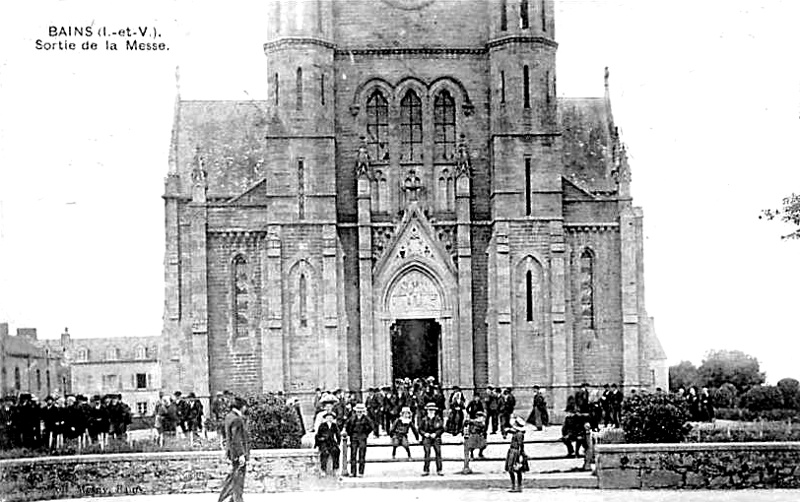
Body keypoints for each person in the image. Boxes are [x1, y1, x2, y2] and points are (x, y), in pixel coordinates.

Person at [218, 397, 249, 502]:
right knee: (238, 481)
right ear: (241, 407)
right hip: (237, 455)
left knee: (233, 479)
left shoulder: (229, 417)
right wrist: (241, 454)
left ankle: (228, 499)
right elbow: (236, 438)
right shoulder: (237, 419)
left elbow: (228, 436)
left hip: (232, 453)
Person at [344, 402, 372, 478]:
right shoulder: (352, 418)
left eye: (360, 411)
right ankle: (353, 472)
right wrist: (351, 434)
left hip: (362, 437)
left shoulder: (366, 419)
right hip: (354, 437)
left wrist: (365, 434)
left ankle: (361, 472)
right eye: (358, 411)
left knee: (362, 455)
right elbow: (347, 426)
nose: (359, 413)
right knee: (353, 454)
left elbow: (370, 427)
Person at [504, 416, 529, 492]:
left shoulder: (519, 434)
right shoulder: (517, 433)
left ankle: (516, 486)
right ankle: (516, 486)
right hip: (514, 451)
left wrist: (521, 454)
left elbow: (521, 444)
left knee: (515, 469)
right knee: (513, 469)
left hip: (515, 452)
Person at [419, 402, 444, 476]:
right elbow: (420, 429)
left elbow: (442, 429)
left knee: (438, 452)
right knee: (427, 452)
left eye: (432, 410)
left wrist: (436, 434)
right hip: (427, 437)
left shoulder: (438, 419)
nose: (431, 411)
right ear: (427, 411)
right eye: (429, 410)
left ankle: (439, 470)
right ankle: (426, 470)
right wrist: (424, 434)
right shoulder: (424, 419)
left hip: (436, 437)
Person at [314, 411, 341, 476]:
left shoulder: (334, 425)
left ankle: (335, 468)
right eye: (328, 418)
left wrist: (338, 442)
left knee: (336, 451)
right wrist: (318, 443)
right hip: (324, 442)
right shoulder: (322, 425)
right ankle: (323, 469)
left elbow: (338, 434)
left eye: (331, 418)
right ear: (325, 418)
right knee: (324, 453)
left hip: (331, 442)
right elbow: (317, 435)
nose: (329, 419)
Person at [461, 410, 487, 474]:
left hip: (476, 440)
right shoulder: (476, 422)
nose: (481, 418)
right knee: (467, 451)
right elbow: (466, 424)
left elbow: (479, 425)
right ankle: (466, 467)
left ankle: (466, 467)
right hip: (474, 439)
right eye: (480, 417)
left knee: (467, 451)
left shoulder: (480, 423)